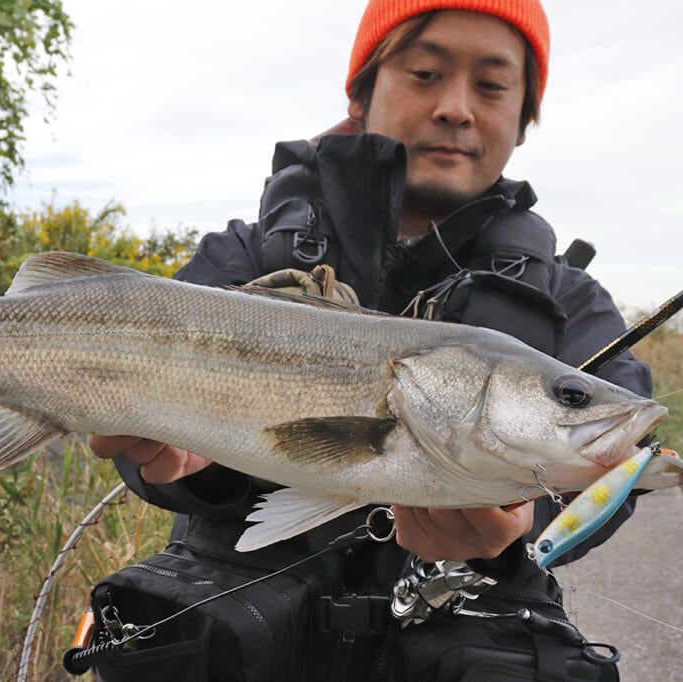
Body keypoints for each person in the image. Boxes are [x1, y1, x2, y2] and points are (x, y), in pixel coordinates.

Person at [88, 1, 648, 679]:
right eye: (424, 73)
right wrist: (170, 470)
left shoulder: (570, 305)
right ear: (361, 92)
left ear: (525, 116)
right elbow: (125, 409)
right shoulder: (238, 259)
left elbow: (620, 467)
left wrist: (525, 520)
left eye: (494, 85)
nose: (456, 108)